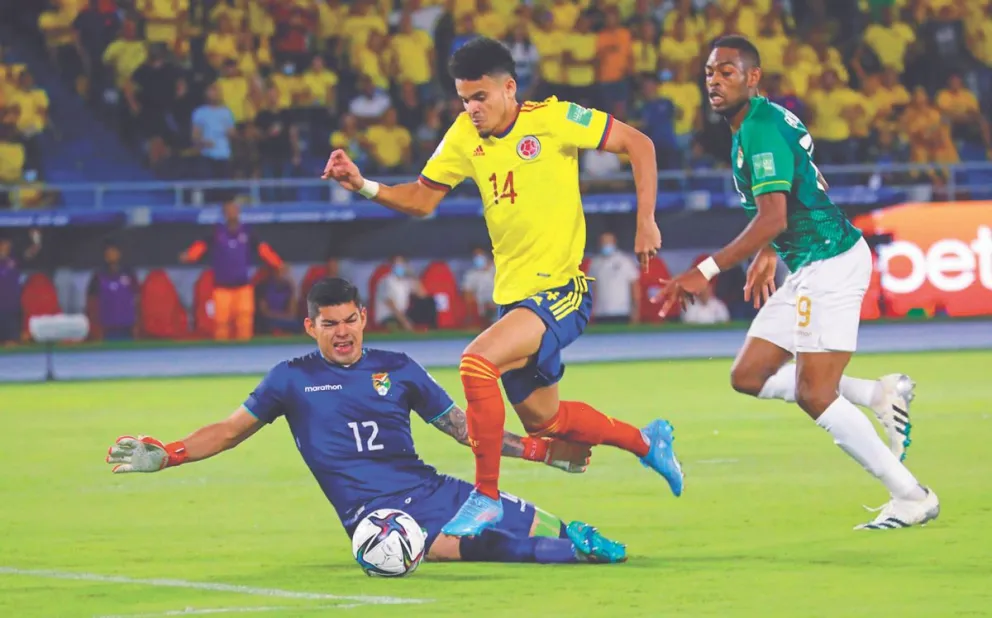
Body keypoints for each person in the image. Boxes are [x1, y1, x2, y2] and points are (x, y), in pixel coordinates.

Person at [322, 36, 683, 538]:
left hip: (563, 289)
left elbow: (638, 144)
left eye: (480, 97)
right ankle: (647, 443)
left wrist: (645, 219)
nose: (471, 109)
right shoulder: (462, 136)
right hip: (515, 300)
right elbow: (423, 200)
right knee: (546, 421)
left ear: (509, 88)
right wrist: (363, 185)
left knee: (475, 363)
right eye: (463, 99)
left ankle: (486, 497)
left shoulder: (554, 118)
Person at [105, 278, 627, 565]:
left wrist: (541, 452)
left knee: (530, 521)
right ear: (311, 326)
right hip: (373, 518)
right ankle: (572, 553)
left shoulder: (399, 368)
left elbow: (464, 428)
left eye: (350, 320)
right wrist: (169, 454)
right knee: (483, 549)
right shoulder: (289, 379)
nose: (342, 332)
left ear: (363, 318)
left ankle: (583, 540)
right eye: (329, 324)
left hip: (431, 488)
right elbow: (226, 431)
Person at [655, 36, 938, 530]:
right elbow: (798, 188)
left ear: (753, 76)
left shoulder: (759, 130)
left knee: (814, 393)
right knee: (749, 376)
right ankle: (877, 393)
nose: (715, 82)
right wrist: (768, 251)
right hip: (808, 262)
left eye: (727, 72)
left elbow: (774, 215)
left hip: (829, 261)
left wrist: (704, 271)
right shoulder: (762, 122)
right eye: (709, 73)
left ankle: (911, 496)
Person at [179, 199, 283, 340]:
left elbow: (263, 250)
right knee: (221, 325)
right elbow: (200, 247)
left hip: (243, 287)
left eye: (234, 209)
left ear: (238, 211)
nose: (231, 213)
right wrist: (189, 256)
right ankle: (222, 358)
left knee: (245, 323)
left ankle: (245, 358)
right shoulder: (215, 232)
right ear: (224, 213)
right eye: (228, 210)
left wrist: (278, 263)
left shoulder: (248, 232)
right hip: (221, 288)